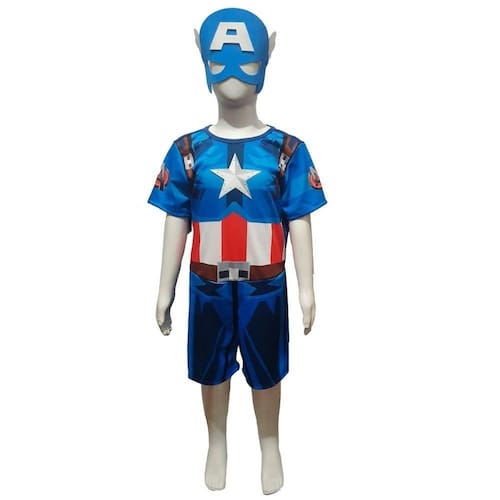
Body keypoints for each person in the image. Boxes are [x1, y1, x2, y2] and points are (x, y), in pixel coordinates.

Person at [148, 8, 327, 495]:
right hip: (207, 283)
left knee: (266, 371)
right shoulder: (187, 151)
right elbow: (176, 217)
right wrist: (164, 289)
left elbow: (300, 218)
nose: (232, 72)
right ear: (201, 58)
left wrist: (307, 288)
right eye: (219, 59)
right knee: (211, 369)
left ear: (267, 56)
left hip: (264, 285)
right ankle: (217, 441)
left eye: (246, 59)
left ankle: (270, 444)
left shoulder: (287, 151)